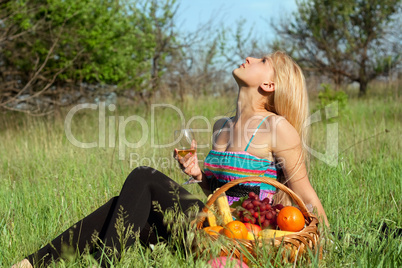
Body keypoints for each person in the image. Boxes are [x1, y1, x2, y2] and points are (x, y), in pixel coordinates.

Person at [12, 51, 329, 268]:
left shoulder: (278, 129)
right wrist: (199, 175)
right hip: (210, 226)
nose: (249, 58)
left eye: (262, 61)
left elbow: (303, 191)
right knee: (121, 206)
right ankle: (31, 263)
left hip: (237, 237)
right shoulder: (222, 126)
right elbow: (222, 194)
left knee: (144, 176)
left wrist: (323, 245)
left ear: (269, 85)